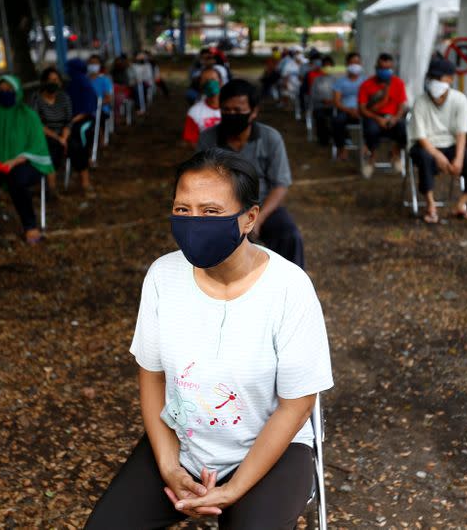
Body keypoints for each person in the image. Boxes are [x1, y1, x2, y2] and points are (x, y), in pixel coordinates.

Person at [84, 148, 333, 529]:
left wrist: (235, 489)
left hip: (271, 452)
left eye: (211, 211)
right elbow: (151, 375)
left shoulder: (289, 289)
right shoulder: (162, 276)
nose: (193, 221)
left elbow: (296, 405)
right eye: (183, 210)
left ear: (249, 218)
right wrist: (169, 466)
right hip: (184, 446)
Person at [197, 79, 305, 269]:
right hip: (223, 210)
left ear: (254, 112)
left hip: (263, 205)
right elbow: (201, 183)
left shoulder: (270, 138)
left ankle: (293, 288)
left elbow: (280, 184)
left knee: (289, 236)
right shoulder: (208, 139)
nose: (232, 115)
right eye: (226, 110)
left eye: (238, 111)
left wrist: (259, 218)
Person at [0, 75, 54, 244]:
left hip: (26, 163)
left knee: (18, 180)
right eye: (1, 90)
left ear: (17, 92)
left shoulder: (29, 116)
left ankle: (30, 226)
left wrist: (14, 161)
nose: (5, 93)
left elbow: (37, 146)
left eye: (9, 90)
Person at [409, 57, 467, 224]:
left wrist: (458, 159)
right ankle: (430, 205)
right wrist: (437, 155)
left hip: (450, 146)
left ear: (450, 79)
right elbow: (421, 137)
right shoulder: (420, 102)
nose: (435, 83)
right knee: (425, 159)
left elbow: (461, 133)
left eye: (440, 78)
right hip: (425, 146)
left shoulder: (459, 100)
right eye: (432, 78)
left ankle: (461, 204)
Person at [358, 53, 408, 177]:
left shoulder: (399, 83)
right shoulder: (366, 85)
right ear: (376, 68)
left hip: (393, 118)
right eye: (382, 68)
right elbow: (363, 109)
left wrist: (396, 118)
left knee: (406, 130)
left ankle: (395, 154)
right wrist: (378, 118)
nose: (385, 71)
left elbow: (402, 105)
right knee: (371, 129)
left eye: (388, 68)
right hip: (374, 117)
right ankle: (371, 159)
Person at [30, 66, 72, 195]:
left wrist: (64, 138)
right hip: (44, 134)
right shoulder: (36, 99)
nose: (53, 83)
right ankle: (52, 187)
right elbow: (37, 124)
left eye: (55, 79)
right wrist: (58, 138)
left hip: (63, 133)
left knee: (76, 146)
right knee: (52, 147)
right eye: (50, 80)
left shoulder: (64, 98)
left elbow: (68, 121)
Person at [65, 58, 98, 194]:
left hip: (82, 123)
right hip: (72, 122)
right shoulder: (75, 83)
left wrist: (72, 121)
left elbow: (87, 110)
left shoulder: (82, 84)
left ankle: (85, 179)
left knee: (79, 146)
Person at [332, 52, 365, 160]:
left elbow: (370, 99)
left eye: (357, 62)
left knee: (371, 122)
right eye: (352, 62)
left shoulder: (365, 81)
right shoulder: (340, 82)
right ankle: (343, 149)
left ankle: (367, 147)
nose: (355, 65)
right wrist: (349, 110)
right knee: (337, 121)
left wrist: (360, 110)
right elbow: (336, 102)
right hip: (345, 111)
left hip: (363, 111)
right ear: (347, 64)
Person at [182, 67, 222, 147]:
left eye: (213, 79)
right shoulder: (194, 112)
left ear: (221, 82)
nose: (210, 83)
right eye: (206, 81)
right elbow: (192, 140)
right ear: (200, 85)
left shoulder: (232, 107)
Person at [310, 56, 336, 146]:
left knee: (336, 118)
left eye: (329, 65)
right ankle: (323, 139)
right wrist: (322, 100)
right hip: (320, 106)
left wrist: (333, 101)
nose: (327, 67)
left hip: (334, 106)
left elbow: (340, 95)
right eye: (325, 65)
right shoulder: (317, 80)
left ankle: (336, 136)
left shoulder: (336, 80)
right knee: (320, 117)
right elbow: (313, 95)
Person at [88, 54, 114, 125]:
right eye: (91, 63)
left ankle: (100, 135)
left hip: (102, 110)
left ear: (100, 65)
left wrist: (94, 105)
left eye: (95, 63)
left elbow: (108, 99)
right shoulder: (85, 80)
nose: (93, 65)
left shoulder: (105, 80)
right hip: (87, 111)